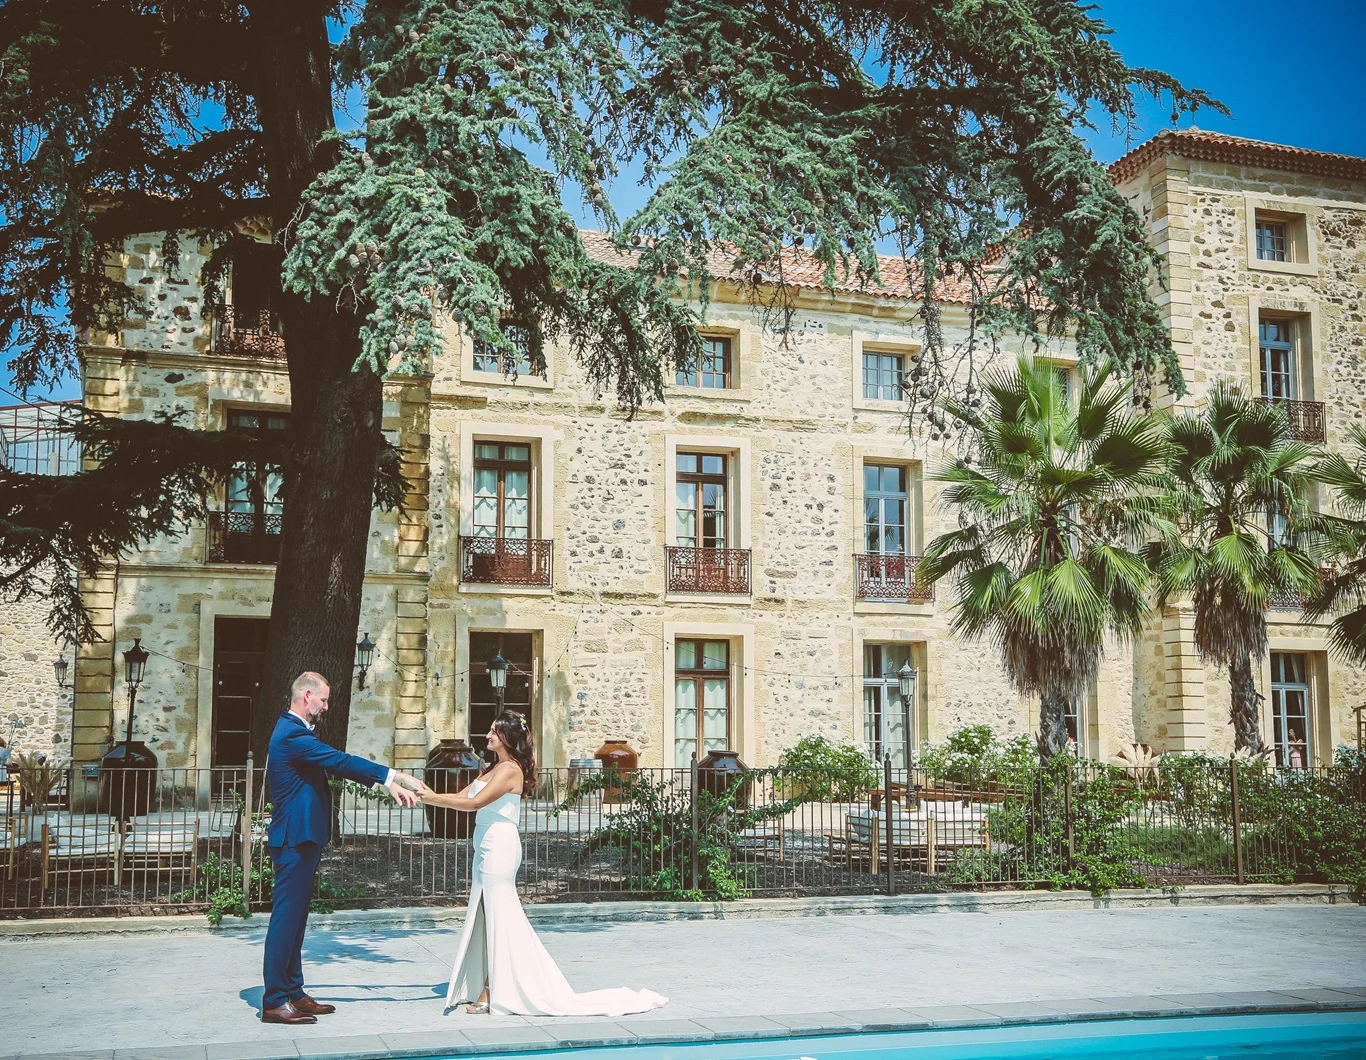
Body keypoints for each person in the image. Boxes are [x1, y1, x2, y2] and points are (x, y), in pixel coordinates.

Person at [417, 710, 667, 1017]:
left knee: (498, 914)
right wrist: (424, 795)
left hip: (500, 847)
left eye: (494, 731)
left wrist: (430, 798)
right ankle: (491, 983)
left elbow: (473, 804)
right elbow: (461, 794)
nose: (487, 736)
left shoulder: (510, 770)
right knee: (486, 915)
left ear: (507, 737)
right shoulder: (490, 769)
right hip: (484, 845)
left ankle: (494, 988)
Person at [261, 671, 421, 1026]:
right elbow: (339, 761)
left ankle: (294, 992)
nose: (327, 706)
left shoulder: (295, 732)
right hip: (293, 840)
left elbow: (334, 765)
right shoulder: (291, 734)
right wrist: (394, 778)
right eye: (324, 700)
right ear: (307, 695)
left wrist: (388, 782)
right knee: (286, 921)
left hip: (303, 838)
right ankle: (274, 1000)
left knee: (297, 920)